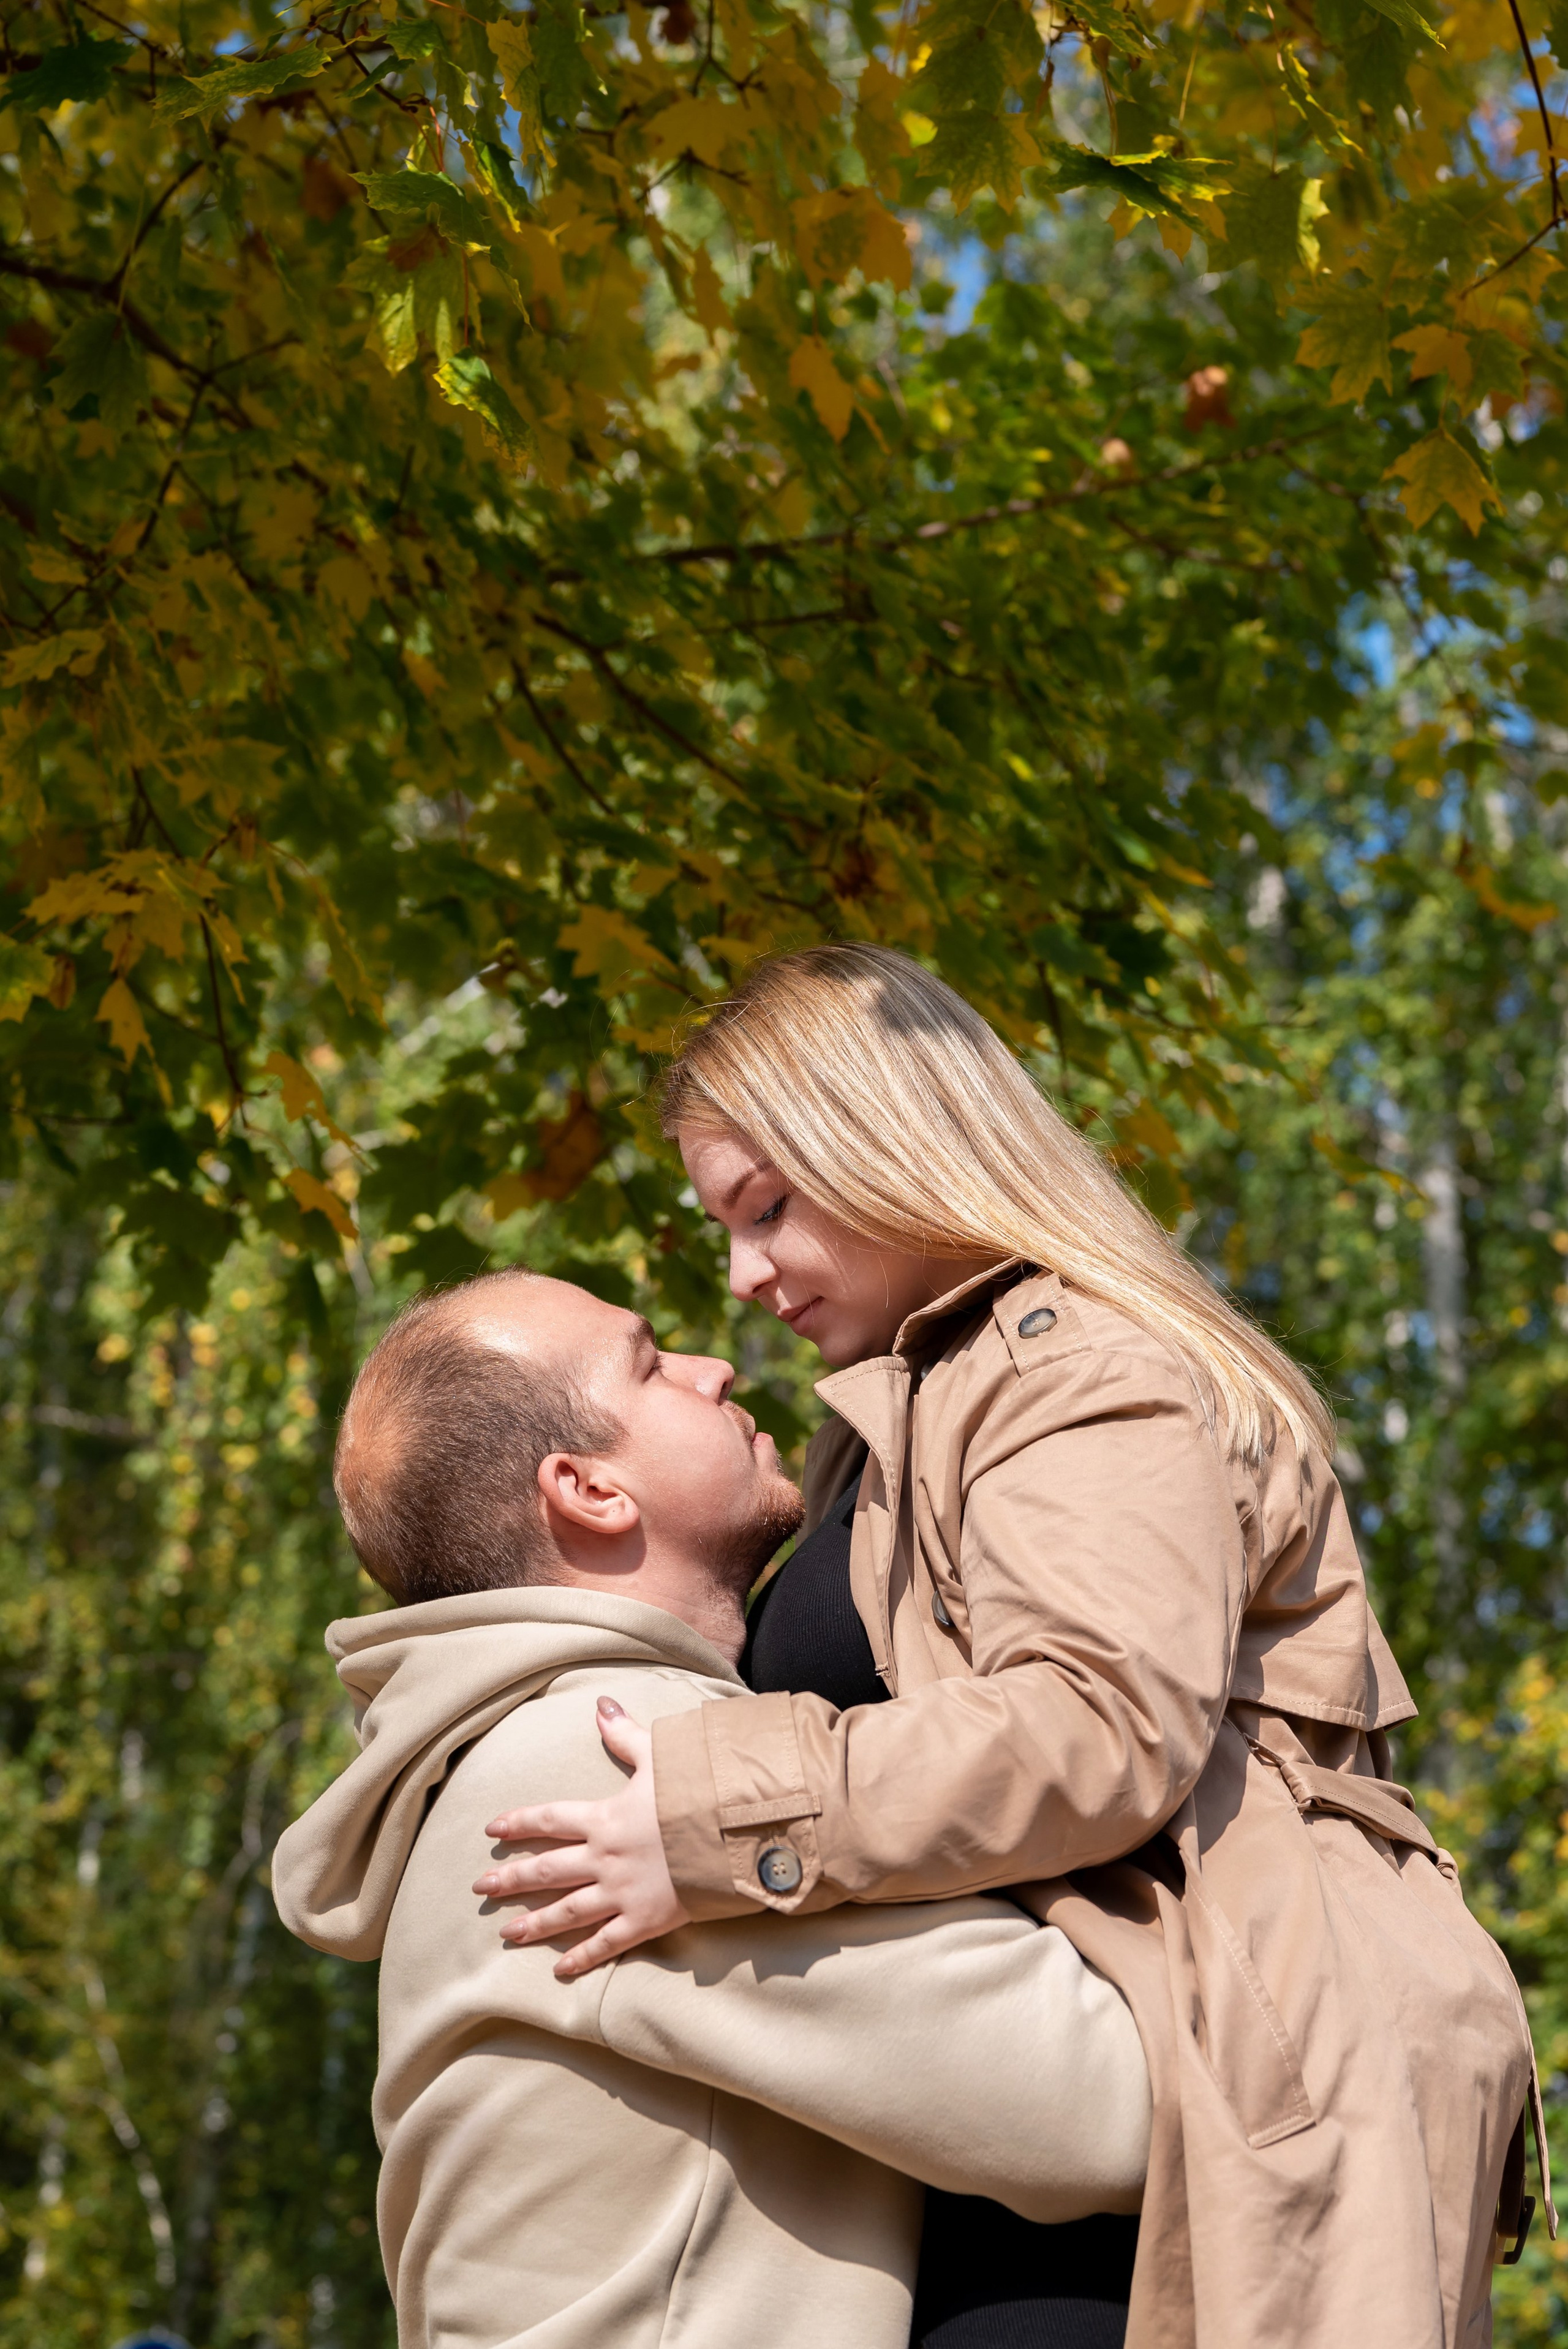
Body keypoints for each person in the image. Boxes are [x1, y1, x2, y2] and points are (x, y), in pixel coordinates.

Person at [475, 943, 1550, 2349]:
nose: (741, 1276)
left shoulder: (1070, 1370)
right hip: (1049, 2132)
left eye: (766, 1208)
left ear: (881, 1140)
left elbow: (1098, 1725)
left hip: (1203, 2102)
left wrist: (715, 1811)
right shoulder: (907, 1408)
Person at [271, 1268, 1152, 2349]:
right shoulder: (610, 1762)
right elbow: (1105, 2102)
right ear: (590, 1492)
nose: (713, 1366)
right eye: (651, 1365)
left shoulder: (512, 1756)